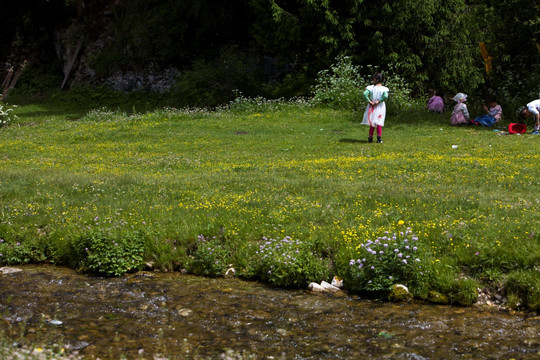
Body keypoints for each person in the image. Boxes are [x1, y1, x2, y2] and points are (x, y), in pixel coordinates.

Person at [362, 73, 389, 143]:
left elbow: (365, 94)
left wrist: (369, 101)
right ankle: (379, 139)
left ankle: (370, 138)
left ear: (376, 79)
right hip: (380, 106)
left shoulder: (370, 87)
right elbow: (385, 96)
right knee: (379, 122)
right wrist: (379, 101)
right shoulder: (384, 89)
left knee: (372, 122)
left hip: (372, 106)